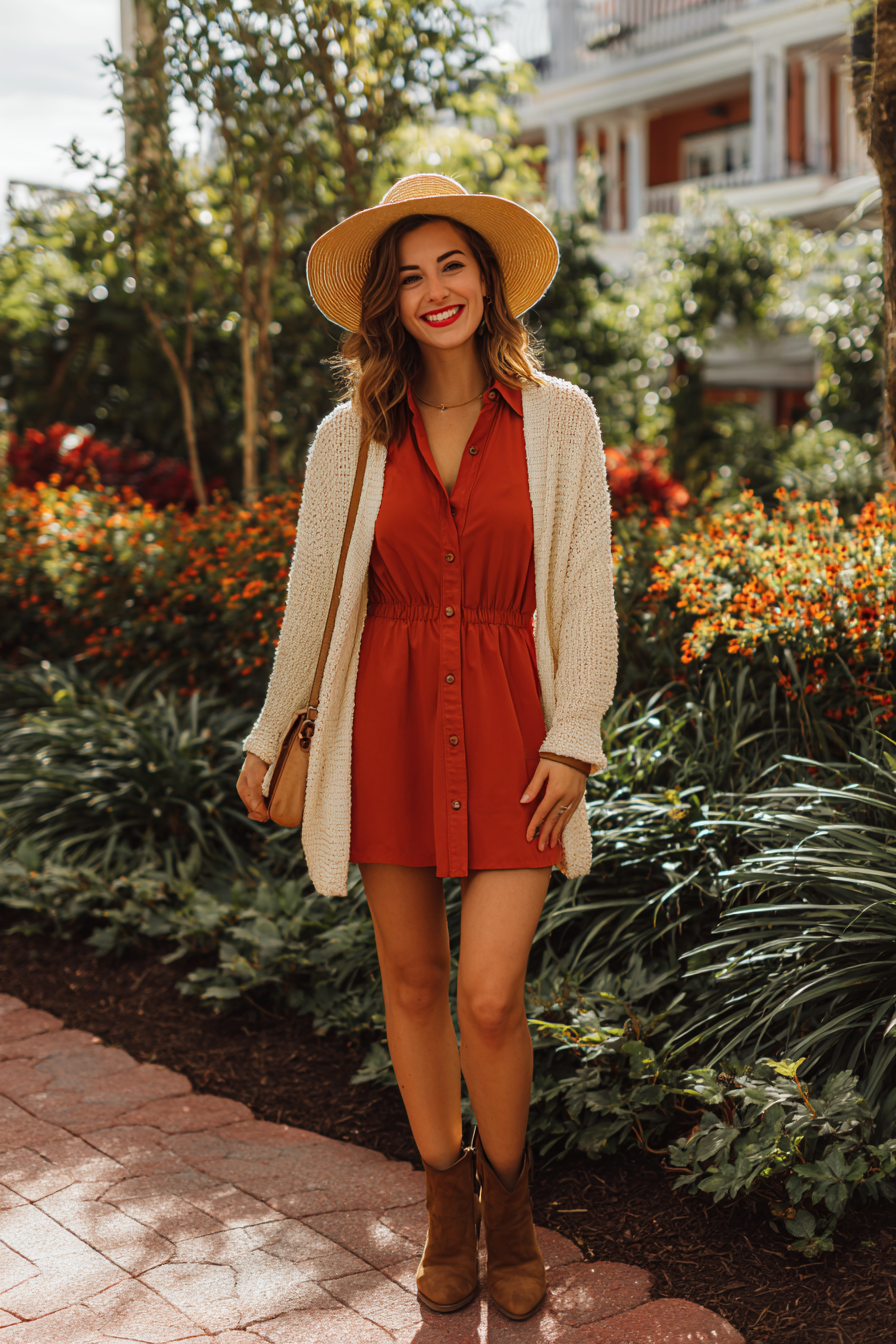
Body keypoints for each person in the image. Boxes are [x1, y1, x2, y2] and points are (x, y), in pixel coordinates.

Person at [237, 174, 617, 1321]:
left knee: (490, 995)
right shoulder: (346, 437)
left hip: (516, 729)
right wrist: (269, 736)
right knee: (410, 981)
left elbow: (586, 592)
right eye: (407, 276)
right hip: (386, 725)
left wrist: (574, 739)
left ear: (486, 280)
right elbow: (311, 605)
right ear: (384, 305)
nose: (432, 290)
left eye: (450, 265)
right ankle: (446, 1212)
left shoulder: (559, 416)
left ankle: (510, 1212)